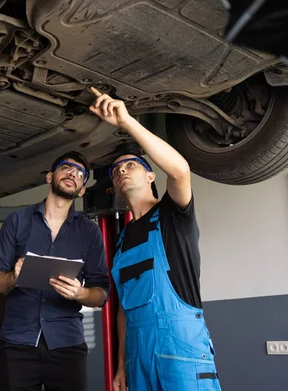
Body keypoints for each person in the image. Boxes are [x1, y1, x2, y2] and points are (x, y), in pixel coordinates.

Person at [88, 87, 221, 391]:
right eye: (117, 170)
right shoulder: (121, 241)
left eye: (131, 165)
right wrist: (121, 366)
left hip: (180, 346)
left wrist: (127, 121)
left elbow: (180, 171)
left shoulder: (173, 215)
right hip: (138, 353)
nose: (122, 170)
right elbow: (123, 310)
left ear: (150, 176)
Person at [0, 151, 111, 391]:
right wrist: (14, 276)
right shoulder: (17, 221)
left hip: (67, 344)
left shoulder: (89, 232)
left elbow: (102, 293)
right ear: (49, 177)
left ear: (82, 190)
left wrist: (80, 293)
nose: (73, 173)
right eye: (66, 167)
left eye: (80, 173)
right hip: (16, 343)